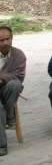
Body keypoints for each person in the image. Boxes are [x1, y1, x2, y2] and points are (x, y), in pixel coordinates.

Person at [0, 26, 26, 156]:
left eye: (7, 39)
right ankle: (2, 145)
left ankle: (9, 116)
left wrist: (2, 79)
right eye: (1, 40)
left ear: (12, 38)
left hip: (7, 89)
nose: (5, 43)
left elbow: (19, 75)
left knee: (16, 84)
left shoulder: (19, 55)